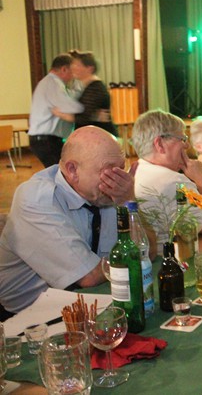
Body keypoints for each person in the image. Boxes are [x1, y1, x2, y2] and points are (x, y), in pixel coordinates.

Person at [0, 127, 141, 319]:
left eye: (121, 168)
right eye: (109, 170)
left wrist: (128, 202)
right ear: (72, 170)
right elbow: (89, 276)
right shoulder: (36, 199)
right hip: (28, 318)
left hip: (90, 302)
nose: (118, 180)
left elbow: (148, 250)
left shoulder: (105, 193)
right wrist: (131, 257)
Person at [131, 109, 202, 251]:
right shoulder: (174, 183)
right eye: (182, 139)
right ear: (160, 144)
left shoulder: (136, 171)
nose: (186, 146)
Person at [27, 53, 84, 168]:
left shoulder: (51, 83)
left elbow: (69, 99)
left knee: (60, 171)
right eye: (72, 72)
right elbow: (70, 106)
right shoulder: (52, 83)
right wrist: (88, 108)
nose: (73, 76)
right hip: (46, 139)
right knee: (60, 172)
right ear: (64, 69)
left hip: (46, 139)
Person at [54, 50, 118, 137]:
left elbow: (83, 118)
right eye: (73, 64)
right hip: (91, 135)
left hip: (98, 137)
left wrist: (60, 113)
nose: (73, 68)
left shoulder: (95, 88)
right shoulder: (85, 86)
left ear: (89, 68)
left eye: (78, 65)